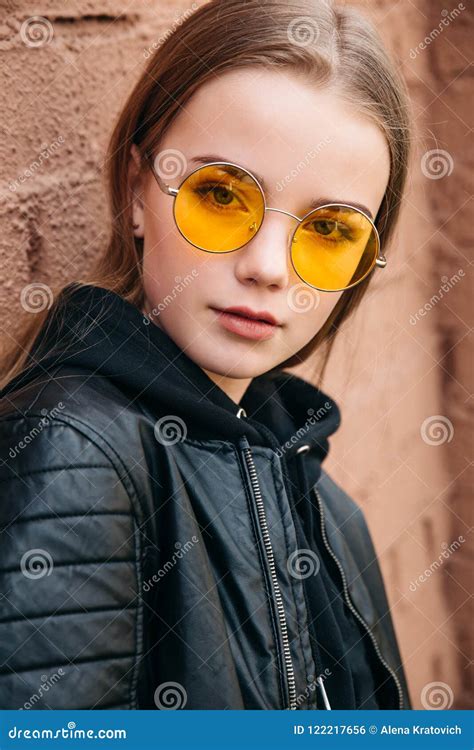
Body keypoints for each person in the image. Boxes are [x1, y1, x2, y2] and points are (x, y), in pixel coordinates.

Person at [0, 0, 412, 710]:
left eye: (331, 230)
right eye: (221, 194)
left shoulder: (325, 505)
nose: (268, 267)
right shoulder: (72, 454)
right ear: (136, 189)